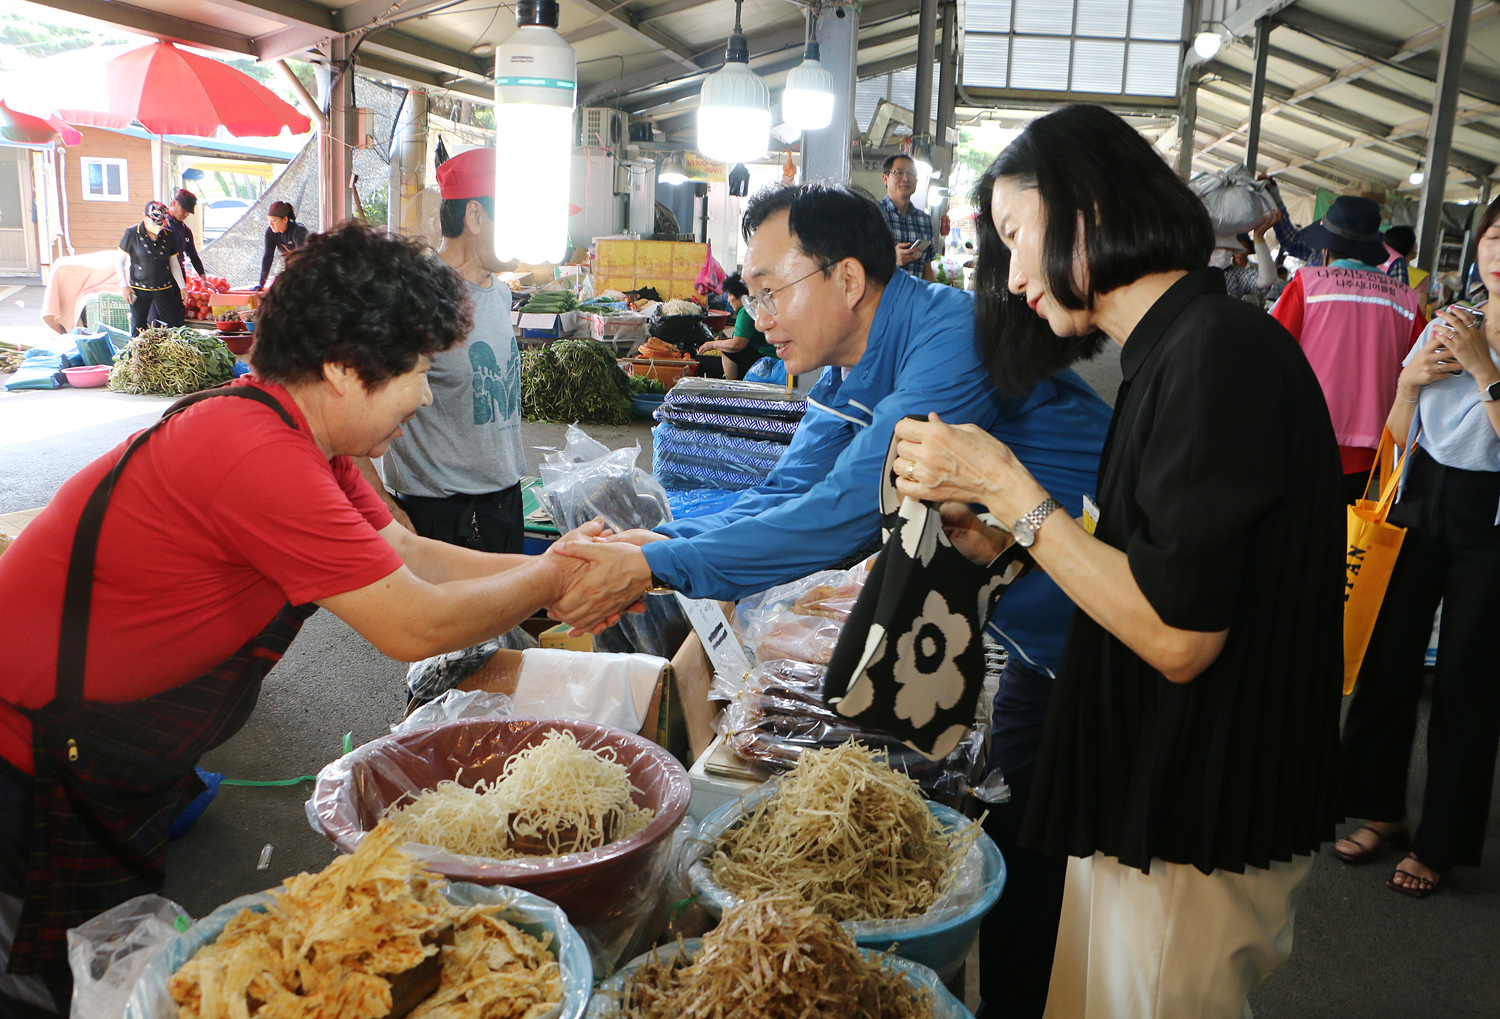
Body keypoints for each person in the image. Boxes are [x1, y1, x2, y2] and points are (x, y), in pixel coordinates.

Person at [0, 223, 604, 1017]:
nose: (426, 395)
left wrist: (557, 568)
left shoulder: (304, 442)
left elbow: (410, 555)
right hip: (32, 757)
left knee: (107, 954)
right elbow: (411, 623)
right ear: (345, 369)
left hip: (113, 749)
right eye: (419, 372)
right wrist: (552, 580)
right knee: (45, 980)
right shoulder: (252, 451)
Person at [893, 104, 1344, 1019]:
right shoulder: (1171, 354)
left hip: (1194, 812)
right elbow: (1149, 566)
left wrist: (1014, 490)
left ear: (1088, 211)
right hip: (1146, 789)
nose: (1014, 275)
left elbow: (1180, 635)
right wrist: (1008, 544)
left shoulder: (1218, 354)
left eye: (1016, 235)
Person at [547, 182, 1110, 780]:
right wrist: (663, 541)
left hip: (1100, 636)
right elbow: (787, 493)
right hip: (1028, 635)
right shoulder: (849, 368)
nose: (759, 321)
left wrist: (658, 567)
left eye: (769, 293)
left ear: (846, 280)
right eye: (752, 297)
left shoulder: (954, 340)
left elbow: (846, 511)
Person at [1333, 195, 1500, 899]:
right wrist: (1406, 383)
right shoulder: (1450, 321)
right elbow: (1399, 436)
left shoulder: (1470, 339)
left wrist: (1483, 366)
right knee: (1386, 656)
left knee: (1467, 679)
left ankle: (1441, 842)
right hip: (1420, 498)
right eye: (1494, 234)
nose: (1497, 246)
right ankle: (1380, 810)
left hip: (1489, 521)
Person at [359, 147, 527, 553]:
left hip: (505, 502)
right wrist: (381, 506)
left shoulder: (500, 293)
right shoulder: (416, 298)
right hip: (441, 515)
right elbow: (344, 410)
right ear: (474, 217)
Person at [1271, 195, 1427, 504]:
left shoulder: (1308, 285)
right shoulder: (1407, 300)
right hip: (1371, 451)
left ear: (1325, 249)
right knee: (1345, 535)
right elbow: (1421, 369)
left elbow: (1269, 353)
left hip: (1306, 439)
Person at [117, 201, 186, 335]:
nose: (156, 229)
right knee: (138, 327)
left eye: (160, 225)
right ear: (144, 217)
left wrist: (182, 286)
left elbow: (173, 262)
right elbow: (119, 260)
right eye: (153, 224)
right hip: (139, 288)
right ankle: (136, 355)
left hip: (163, 287)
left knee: (172, 325)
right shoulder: (132, 233)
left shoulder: (168, 235)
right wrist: (123, 285)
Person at [696, 272, 775, 380]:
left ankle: (731, 386)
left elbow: (738, 344)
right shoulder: (753, 307)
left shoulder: (745, 311)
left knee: (729, 351)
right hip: (768, 355)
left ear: (742, 297)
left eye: (730, 295)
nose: (728, 300)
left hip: (767, 359)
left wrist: (712, 345)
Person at [879, 154, 936, 282]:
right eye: (898, 173)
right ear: (885, 178)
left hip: (915, 298)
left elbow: (927, 266)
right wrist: (892, 259)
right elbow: (858, 259)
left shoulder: (925, 220)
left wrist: (927, 299)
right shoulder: (872, 214)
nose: (905, 178)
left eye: (911, 174)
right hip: (882, 298)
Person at [1212, 212, 1279, 303]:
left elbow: (1267, 280)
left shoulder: (1234, 275)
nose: (1226, 251)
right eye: (1221, 247)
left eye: (1229, 248)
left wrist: (1258, 237)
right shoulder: (1193, 271)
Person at [1381, 224, 1432, 317]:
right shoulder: (1421, 277)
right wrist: (1441, 302)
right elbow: (1420, 312)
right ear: (1411, 246)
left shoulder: (1378, 269)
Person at [258, 200, 309, 290]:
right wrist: (261, 283)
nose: (270, 224)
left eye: (273, 220)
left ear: (285, 219)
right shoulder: (270, 232)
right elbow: (268, 257)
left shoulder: (299, 231)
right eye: (268, 220)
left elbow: (301, 260)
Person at [165, 188, 206, 281]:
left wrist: (203, 277)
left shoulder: (185, 230)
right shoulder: (160, 223)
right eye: (184, 210)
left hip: (178, 276)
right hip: (160, 275)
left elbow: (193, 255)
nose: (186, 214)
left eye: (188, 212)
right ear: (174, 203)